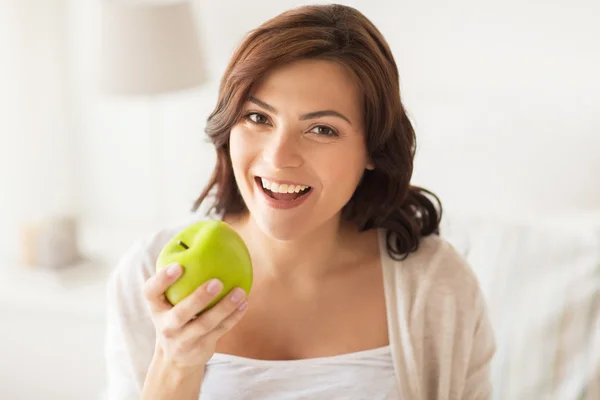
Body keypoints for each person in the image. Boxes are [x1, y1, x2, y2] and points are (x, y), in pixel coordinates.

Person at [105, 4, 496, 400]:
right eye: (258, 118)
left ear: (374, 148)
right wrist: (175, 364)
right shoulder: (151, 276)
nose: (278, 157)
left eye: (322, 129)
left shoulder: (436, 287)